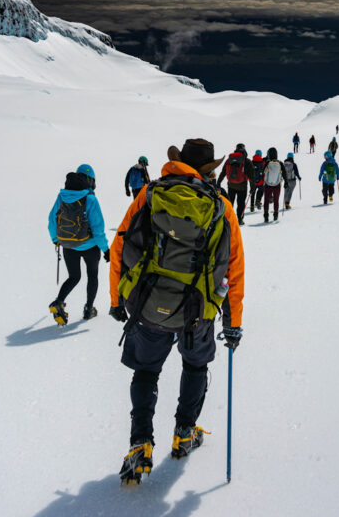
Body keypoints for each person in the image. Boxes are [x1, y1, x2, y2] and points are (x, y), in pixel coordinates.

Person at [108, 138, 245, 485]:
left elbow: (119, 246)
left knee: (146, 372)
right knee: (195, 365)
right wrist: (233, 323)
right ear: (208, 170)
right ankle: (184, 433)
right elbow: (234, 268)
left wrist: (115, 300)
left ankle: (140, 444)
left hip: (147, 306)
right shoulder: (221, 207)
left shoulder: (150, 194)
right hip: (197, 313)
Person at [47, 164, 110, 325]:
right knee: (92, 276)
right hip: (90, 247)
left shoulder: (62, 196)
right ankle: (89, 309)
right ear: (91, 181)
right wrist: (106, 250)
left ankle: (59, 301)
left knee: (74, 277)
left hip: (68, 246)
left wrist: (56, 239)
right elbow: (98, 229)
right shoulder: (91, 199)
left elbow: (51, 220)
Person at [217, 143, 250, 224]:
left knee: (230, 202)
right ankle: (240, 219)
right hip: (242, 186)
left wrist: (218, 183)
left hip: (231, 185)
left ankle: (228, 218)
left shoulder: (229, 160)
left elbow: (223, 172)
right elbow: (251, 175)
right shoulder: (246, 161)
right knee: (241, 203)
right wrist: (253, 187)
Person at [262, 147, 287, 223]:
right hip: (277, 185)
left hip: (268, 185)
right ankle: (275, 215)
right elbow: (284, 174)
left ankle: (266, 216)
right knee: (276, 200)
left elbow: (263, 172)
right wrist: (286, 182)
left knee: (266, 200)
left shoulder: (267, 162)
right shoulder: (280, 163)